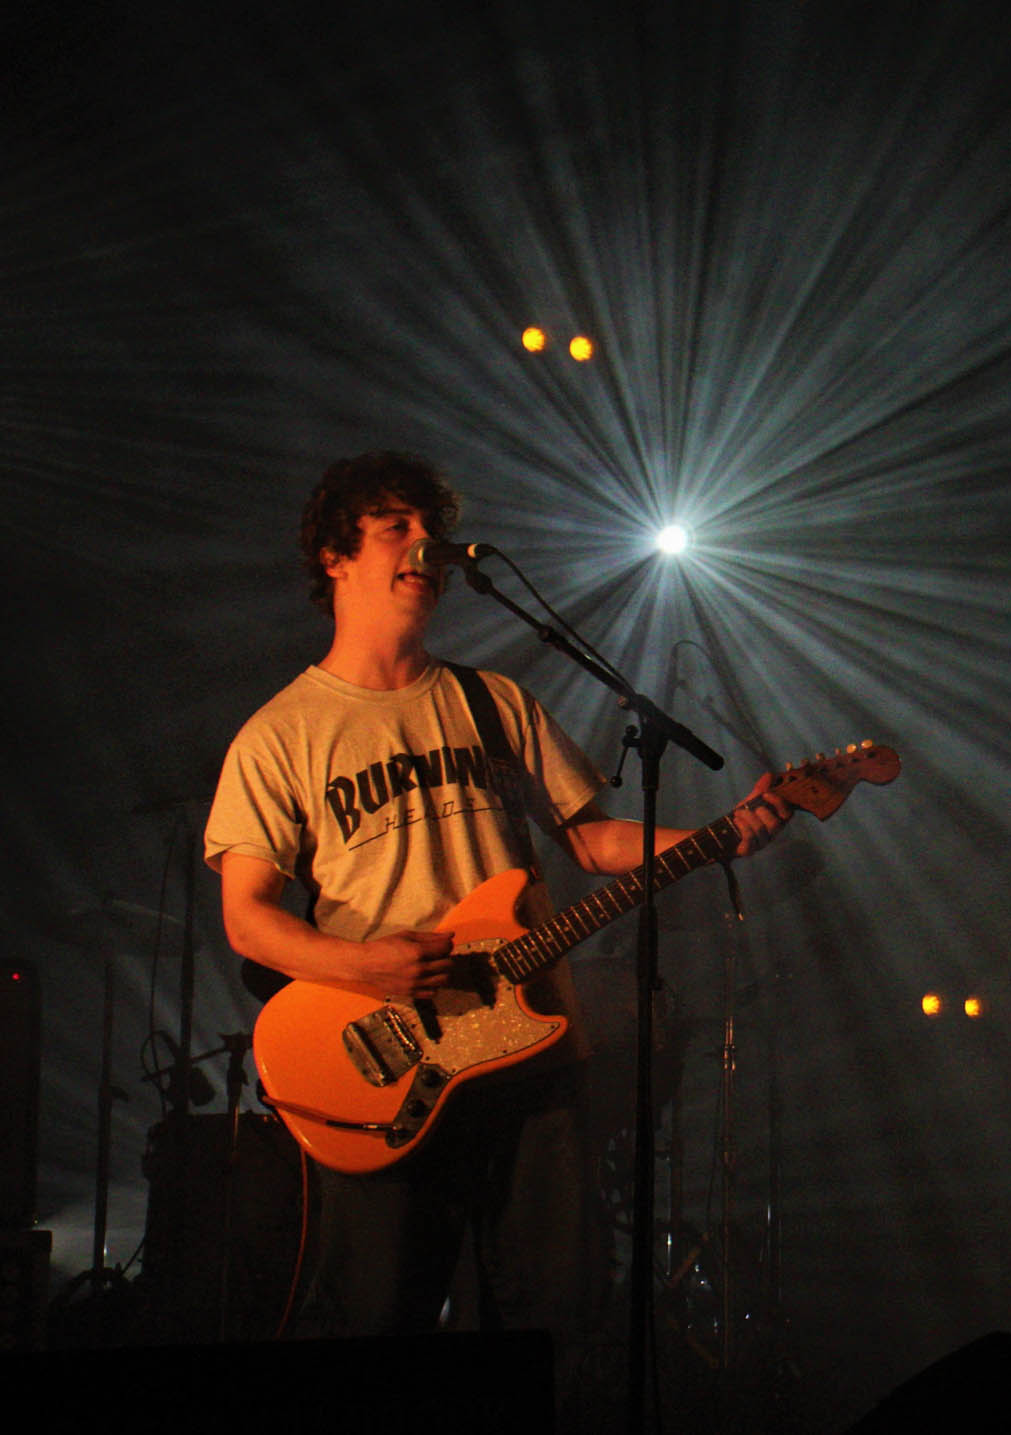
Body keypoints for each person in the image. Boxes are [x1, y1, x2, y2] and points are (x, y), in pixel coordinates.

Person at [204, 451, 791, 1344]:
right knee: (377, 1320)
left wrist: (721, 836)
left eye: (428, 529)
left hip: (531, 1056)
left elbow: (592, 840)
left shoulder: (493, 703)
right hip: (384, 1063)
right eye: (396, 526)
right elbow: (248, 918)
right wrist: (365, 963)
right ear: (336, 555)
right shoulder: (281, 733)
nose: (424, 547)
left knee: (550, 1317)